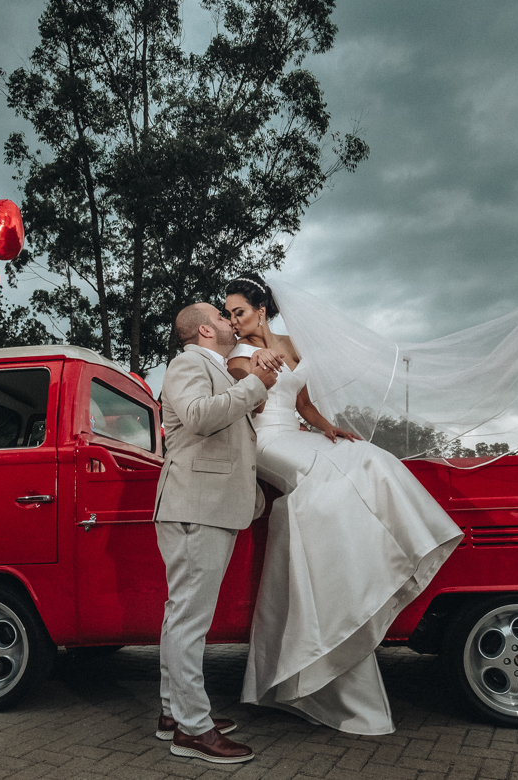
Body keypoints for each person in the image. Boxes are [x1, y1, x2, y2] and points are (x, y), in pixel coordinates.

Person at [223, 275, 463, 735]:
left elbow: (304, 402)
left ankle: (375, 563)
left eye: (239, 311)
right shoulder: (239, 355)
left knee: (368, 456)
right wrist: (257, 361)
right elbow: (246, 378)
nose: (234, 320)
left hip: (297, 430)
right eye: (228, 314)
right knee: (326, 482)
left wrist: (329, 428)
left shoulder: (292, 342)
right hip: (267, 443)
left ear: (261, 309)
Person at [153, 302, 279, 763]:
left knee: (180, 614)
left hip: (205, 505)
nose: (231, 323)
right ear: (205, 329)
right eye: (223, 318)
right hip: (196, 506)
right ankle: (192, 730)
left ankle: (173, 713)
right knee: (190, 620)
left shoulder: (216, 368)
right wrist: (254, 385)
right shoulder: (187, 362)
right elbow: (202, 418)